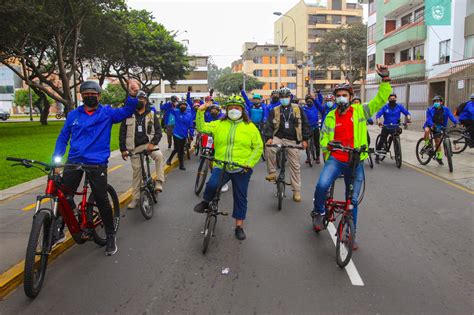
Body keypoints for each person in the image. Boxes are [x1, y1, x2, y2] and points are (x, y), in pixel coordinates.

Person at [53, 80, 140, 256]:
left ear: (99, 96)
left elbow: (125, 111)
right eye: (86, 94)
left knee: (101, 199)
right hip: (74, 160)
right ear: (81, 96)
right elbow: (63, 137)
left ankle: (110, 235)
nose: (90, 96)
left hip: (97, 162)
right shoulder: (73, 115)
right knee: (62, 193)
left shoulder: (107, 113)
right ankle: (58, 229)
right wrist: (57, 159)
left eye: (93, 94)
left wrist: (131, 95)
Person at [311, 64, 392, 250]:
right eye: (338, 95)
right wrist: (327, 145)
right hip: (336, 160)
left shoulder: (360, 111)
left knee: (352, 201)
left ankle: (349, 234)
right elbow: (323, 137)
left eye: (344, 95)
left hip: (356, 162)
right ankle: (318, 211)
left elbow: (381, 99)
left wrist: (385, 79)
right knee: (322, 185)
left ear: (350, 97)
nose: (341, 98)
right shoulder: (330, 116)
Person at [193, 96, 263, 240]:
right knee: (212, 185)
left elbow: (258, 147)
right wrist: (200, 112)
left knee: (240, 197)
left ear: (242, 110)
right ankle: (206, 202)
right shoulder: (219, 124)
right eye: (230, 107)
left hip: (241, 168)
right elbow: (201, 128)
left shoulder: (250, 127)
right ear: (226, 109)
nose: (233, 110)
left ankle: (239, 226)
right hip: (221, 165)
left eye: (237, 108)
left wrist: (249, 163)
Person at [119, 90, 165, 209]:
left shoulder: (151, 114)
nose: (140, 101)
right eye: (138, 99)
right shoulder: (128, 114)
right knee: (136, 173)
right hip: (134, 147)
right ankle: (135, 199)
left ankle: (159, 182)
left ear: (146, 101)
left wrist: (153, 143)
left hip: (149, 144)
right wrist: (123, 149)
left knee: (159, 156)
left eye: (142, 99)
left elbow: (159, 132)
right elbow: (122, 133)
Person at [264, 87, 311, 202]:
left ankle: (296, 191)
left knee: (295, 166)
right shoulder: (274, 110)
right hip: (278, 137)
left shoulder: (297, 109)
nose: (284, 99)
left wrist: (305, 140)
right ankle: (272, 173)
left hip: (293, 140)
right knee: (269, 148)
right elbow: (269, 125)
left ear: (290, 97)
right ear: (279, 98)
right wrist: (269, 138)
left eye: (286, 97)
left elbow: (305, 124)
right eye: (282, 97)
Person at [375, 93, 411, 162]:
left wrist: (409, 119)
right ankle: (377, 155)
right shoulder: (385, 107)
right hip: (386, 126)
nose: (392, 100)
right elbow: (378, 115)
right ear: (388, 99)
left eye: (394, 99)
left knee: (396, 137)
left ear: (396, 99)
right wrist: (379, 122)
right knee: (382, 140)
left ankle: (397, 155)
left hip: (395, 127)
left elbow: (407, 113)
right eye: (391, 99)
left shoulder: (399, 106)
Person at [423, 95, 458, 164]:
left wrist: (456, 122)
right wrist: (432, 125)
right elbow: (428, 119)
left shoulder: (446, 109)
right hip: (430, 125)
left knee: (437, 142)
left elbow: (451, 116)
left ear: (441, 102)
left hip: (439, 126)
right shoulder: (429, 109)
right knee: (427, 131)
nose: (436, 102)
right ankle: (427, 144)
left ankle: (439, 157)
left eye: (438, 101)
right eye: (435, 101)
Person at [166, 100, 194, 170]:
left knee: (178, 149)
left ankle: (169, 159)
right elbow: (169, 109)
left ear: (186, 107)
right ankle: (181, 165)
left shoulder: (189, 115)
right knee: (179, 150)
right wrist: (171, 102)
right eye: (181, 105)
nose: (183, 107)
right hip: (176, 133)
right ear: (179, 106)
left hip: (184, 135)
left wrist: (191, 134)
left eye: (184, 105)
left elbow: (191, 126)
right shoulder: (176, 112)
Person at [304, 94, 322, 164]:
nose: (309, 102)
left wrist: (318, 94)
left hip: (315, 127)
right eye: (308, 101)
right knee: (307, 144)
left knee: (317, 143)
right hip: (307, 128)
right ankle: (308, 157)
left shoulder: (315, 107)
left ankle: (317, 157)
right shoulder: (304, 108)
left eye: (310, 100)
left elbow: (320, 101)